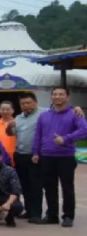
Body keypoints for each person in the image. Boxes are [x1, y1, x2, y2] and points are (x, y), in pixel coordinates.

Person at [32, 86, 87, 227]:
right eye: (55, 94)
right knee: (49, 187)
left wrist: (66, 139)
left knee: (67, 187)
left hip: (65, 156)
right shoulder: (44, 116)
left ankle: (68, 216)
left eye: (61, 94)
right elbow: (38, 135)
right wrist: (36, 152)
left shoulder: (75, 113)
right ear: (51, 97)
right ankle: (52, 215)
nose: (57, 97)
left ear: (67, 97)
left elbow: (84, 130)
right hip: (46, 156)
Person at [9, 92, 44, 222]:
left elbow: (60, 108)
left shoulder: (44, 113)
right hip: (20, 155)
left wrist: (76, 108)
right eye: (23, 104)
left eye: (28, 103)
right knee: (24, 185)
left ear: (35, 102)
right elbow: (10, 133)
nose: (26, 106)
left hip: (35, 155)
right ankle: (29, 211)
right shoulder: (18, 118)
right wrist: (9, 127)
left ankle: (36, 214)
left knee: (36, 185)